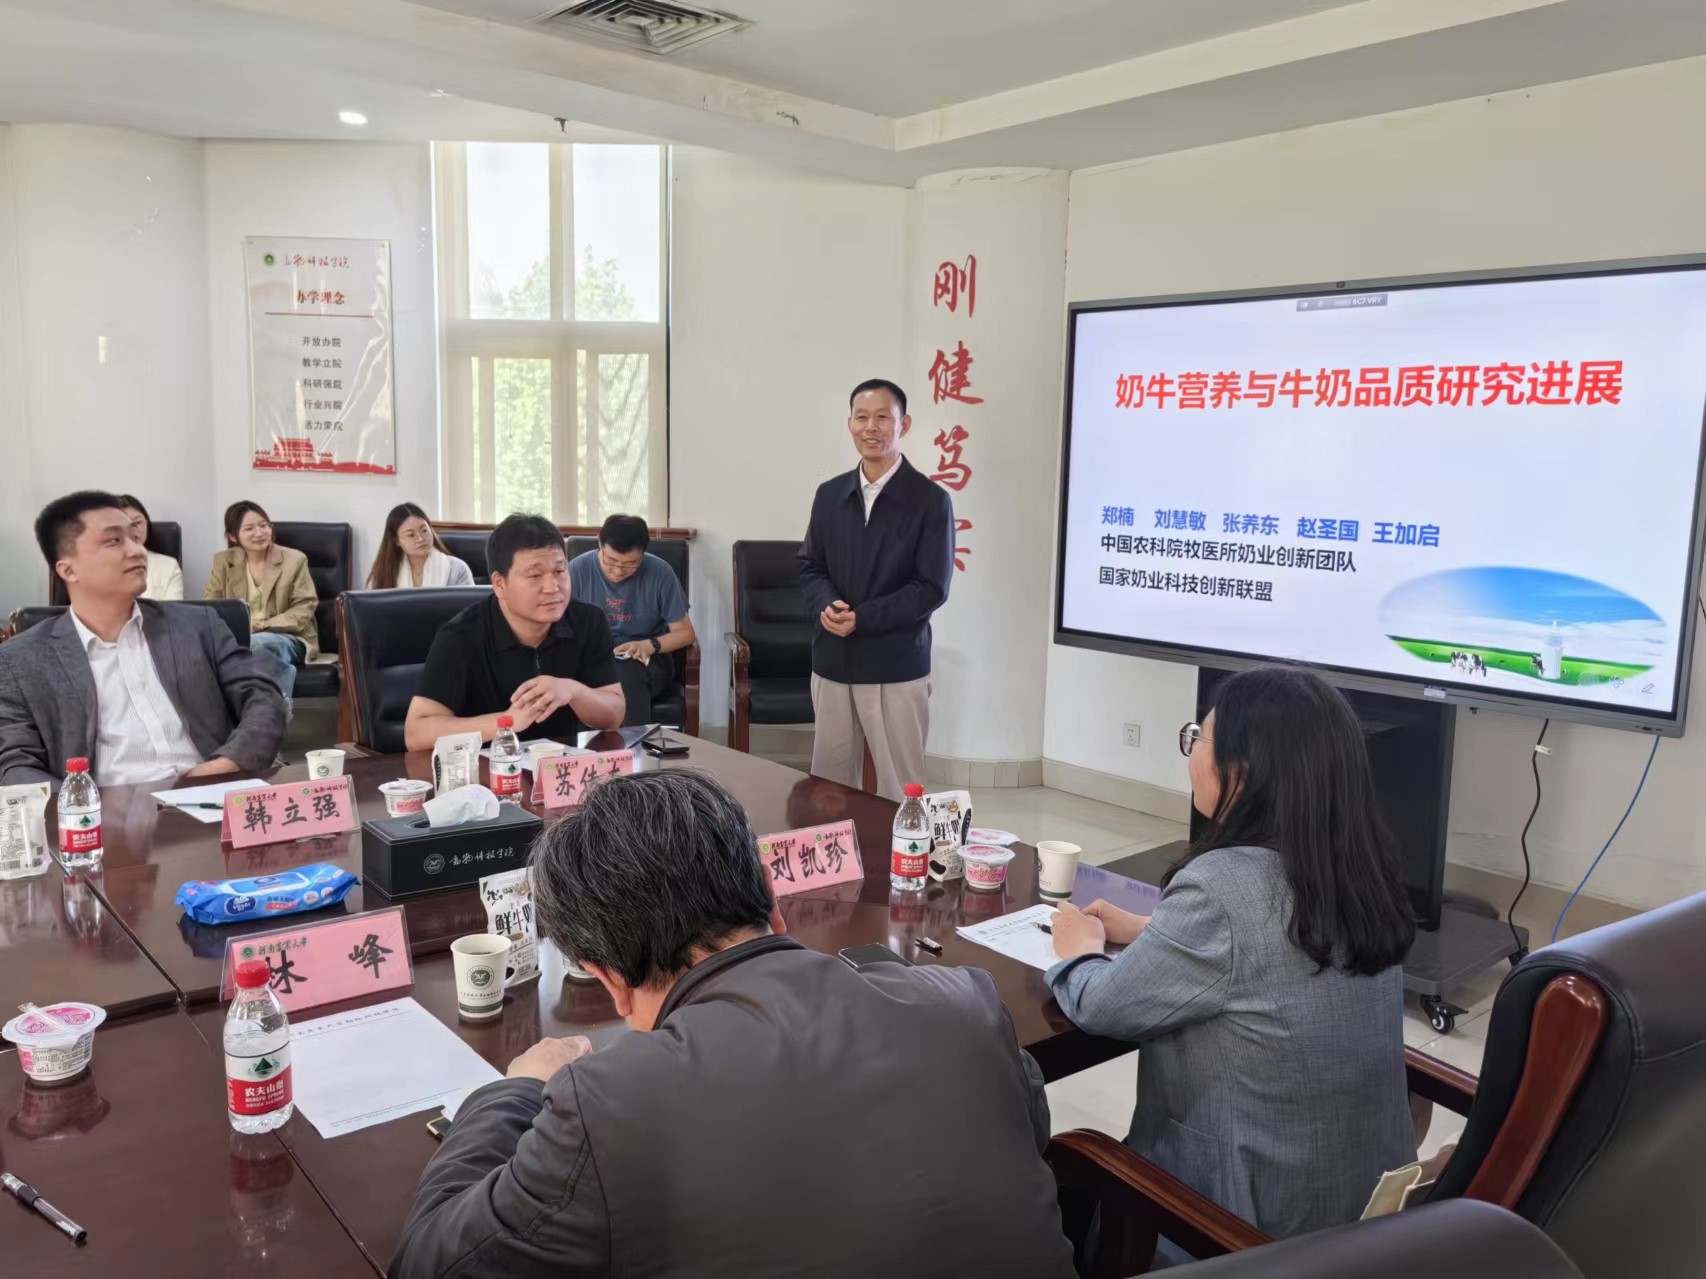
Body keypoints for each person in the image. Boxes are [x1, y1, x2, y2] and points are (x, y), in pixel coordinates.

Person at [390, 770, 1075, 1279]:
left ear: (608, 978)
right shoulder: (966, 1003)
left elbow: (428, 1262)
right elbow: (1022, 1137)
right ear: (773, 904)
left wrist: (514, 1091)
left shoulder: (608, 1106)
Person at [1047, 666, 1417, 1243]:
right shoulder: (1362, 871)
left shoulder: (1220, 885)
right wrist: (1154, 928)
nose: (1191, 751)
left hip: (1234, 1229)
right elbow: (1280, 955)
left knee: (1055, 1174)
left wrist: (1078, 951)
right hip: (1366, 1223)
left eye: (1200, 737)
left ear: (1241, 772)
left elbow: (1101, 1007)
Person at [0, 492, 285, 787]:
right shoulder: (20, 660)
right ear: (68, 569)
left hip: (213, 790)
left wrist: (229, 764)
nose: (137, 551)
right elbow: (15, 764)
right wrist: (82, 806)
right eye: (114, 541)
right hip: (105, 807)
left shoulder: (198, 625)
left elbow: (264, 698)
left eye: (135, 538)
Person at [799, 379, 954, 801]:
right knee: (828, 788)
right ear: (849, 424)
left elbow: (931, 587)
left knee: (901, 790)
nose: (872, 427)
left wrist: (863, 619)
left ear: (904, 424)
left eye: (883, 417)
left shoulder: (930, 500)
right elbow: (810, 566)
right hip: (833, 659)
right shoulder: (830, 494)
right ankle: (838, 849)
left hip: (895, 665)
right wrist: (826, 605)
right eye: (862, 417)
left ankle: (901, 849)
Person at [404, 514, 624, 749]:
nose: (553, 587)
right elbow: (416, 734)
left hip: (558, 765)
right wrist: (506, 721)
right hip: (486, 766)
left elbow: (613, 717)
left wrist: (573, 690)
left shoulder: (588, 621)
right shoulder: (460, 636)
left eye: (560, 571)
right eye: (535, 575)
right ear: (500, 584)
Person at [568, 514, 694, 725]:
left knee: (624, 672)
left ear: (643, 553)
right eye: (611, 561)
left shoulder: (660, 573)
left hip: (647, 660)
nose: (618, 571)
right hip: (594, 659)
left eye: (630, 564)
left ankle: (630, 745)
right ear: (599, 543)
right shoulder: (576, 570)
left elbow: (685, 633)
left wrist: (647, 645)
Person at [202, 501, 319, 701]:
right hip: (237, 638)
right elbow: (210, 607)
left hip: (288, 636)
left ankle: (277, 708)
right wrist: (241, 628)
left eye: (264, 525)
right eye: (249, 528)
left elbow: (304, 606)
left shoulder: (294, 559)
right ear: (233, 536)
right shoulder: (223, 562)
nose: (259, 533)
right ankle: (249, 711)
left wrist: (265, 625)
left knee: (256, 644)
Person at [366, 503, 475, 590]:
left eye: (424, 530)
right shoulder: (383, 573)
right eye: (411, 535)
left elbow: (469, 608)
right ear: (396, 541)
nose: (421, 539)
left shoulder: (457, 569)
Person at [115, 495, 184, 601]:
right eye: (123, 524)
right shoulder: (100, 566)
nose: (134, 530)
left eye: (138, 523)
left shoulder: (169, 566)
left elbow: (173, 610)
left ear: (147, 524)